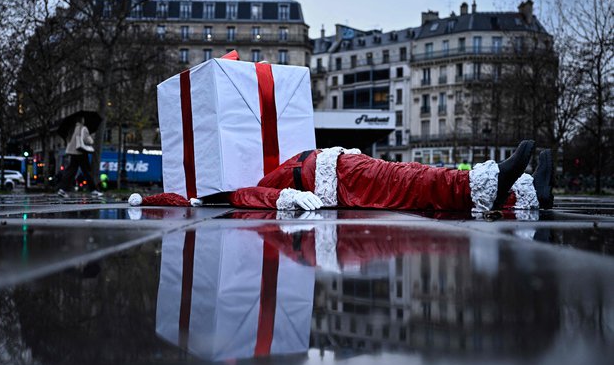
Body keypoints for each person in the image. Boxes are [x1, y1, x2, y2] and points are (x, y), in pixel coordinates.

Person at [130, 140, 553, 213]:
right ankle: (490, 185)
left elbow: (175, 200)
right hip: (336, 174)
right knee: (408, 184)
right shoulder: (223, 191)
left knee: (409, 182)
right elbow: (246, 196)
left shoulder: (216, 186)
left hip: (337, 168)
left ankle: (522, 192)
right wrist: (286, 199)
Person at [57, 117, 103, 198]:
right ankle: (94, 190)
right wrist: (91, 139)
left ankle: (62, 189)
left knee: (71, 171)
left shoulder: (72, 128)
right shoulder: (83, 128)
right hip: (81, 152)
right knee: (87, 171)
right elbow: (88, 140)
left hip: (73, 152)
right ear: (82, 120)